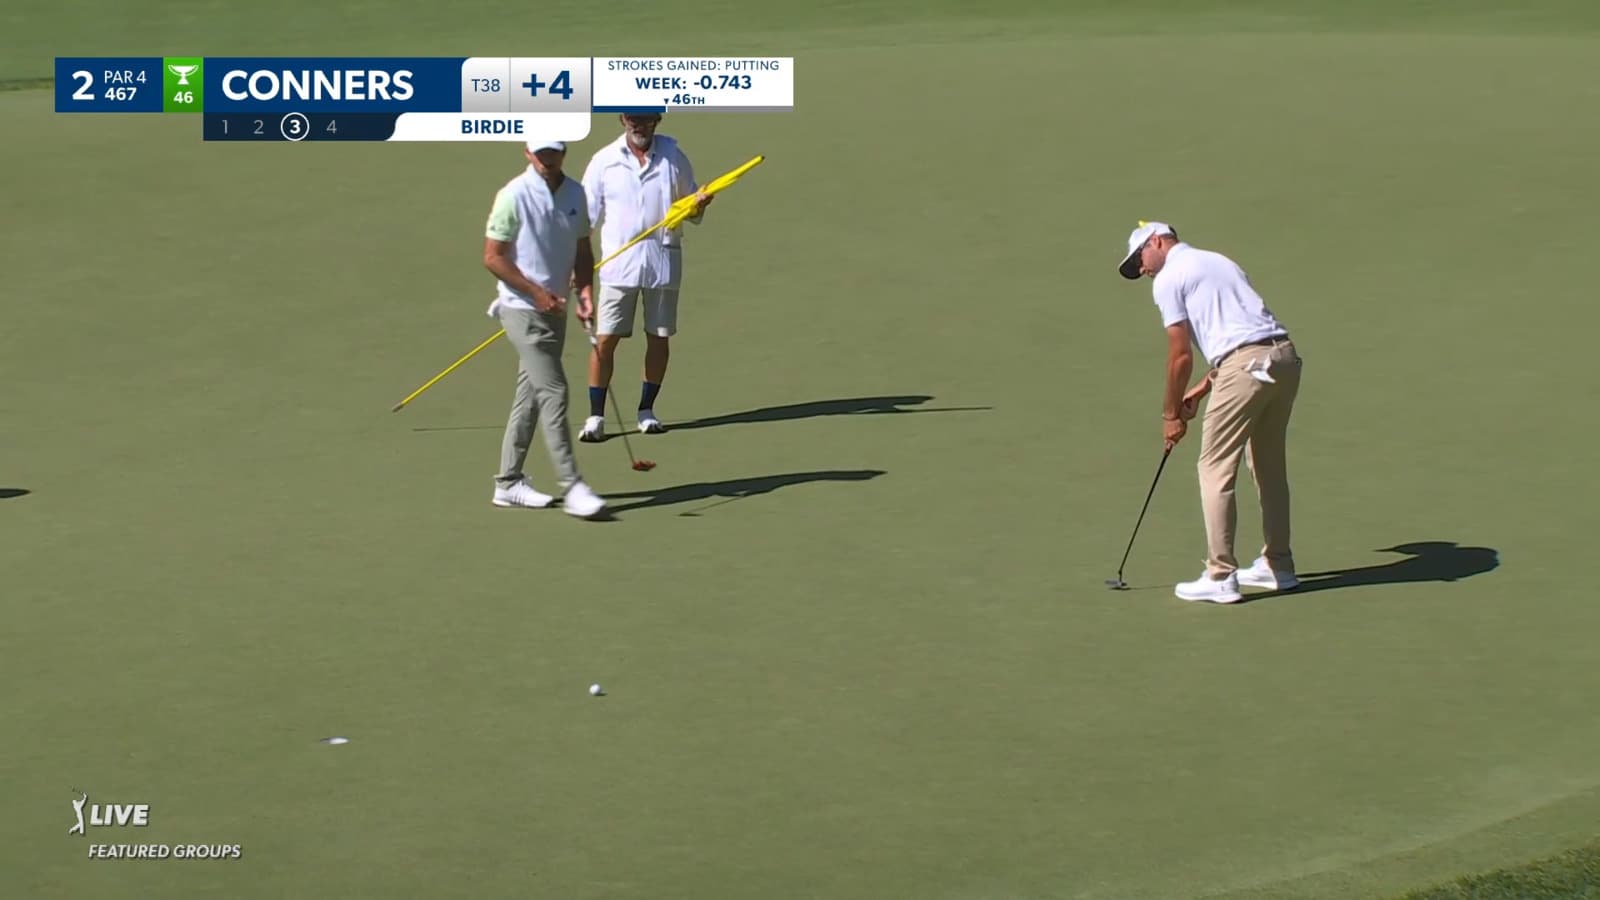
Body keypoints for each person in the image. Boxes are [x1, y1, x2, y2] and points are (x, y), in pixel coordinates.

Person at [1118, 221, 1304, 603]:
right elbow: (1243, 332)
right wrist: (1203, 390)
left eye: (1141, 258)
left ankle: (1220, 575)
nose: (1142, 268)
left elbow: (1180, 354)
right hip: (1283, 359)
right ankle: (1278, 566)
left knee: (1214, 467)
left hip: (1246, 367)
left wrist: (1170, 414)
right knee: (1268, 466)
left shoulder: (1169, 278)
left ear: (1157, 241)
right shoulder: (1218, 261)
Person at [481, 139, 607, 519]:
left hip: (557, 310)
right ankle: (573, 487)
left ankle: (508, 483)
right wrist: (535, 292)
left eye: (555, 152)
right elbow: (492, 257)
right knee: (553, 390)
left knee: (531, 395)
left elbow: (583, 250)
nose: (549, 160)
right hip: (521, 309)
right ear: (528, 153)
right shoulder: (513, 195)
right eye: (542, 154)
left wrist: (585, 291)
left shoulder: (575, 193)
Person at [578, 112, 712, 441]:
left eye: (647, 119)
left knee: (658, 336)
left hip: (662, 263)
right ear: (623, 120)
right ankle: (596, 417)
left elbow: (689, 206)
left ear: (657, 121)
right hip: (618, 267)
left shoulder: (673, 156)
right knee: (605, 340)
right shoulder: (604, 161)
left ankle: (646, 410)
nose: (640, 126)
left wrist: (698, 204)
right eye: (634, 119)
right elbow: (585, 218)